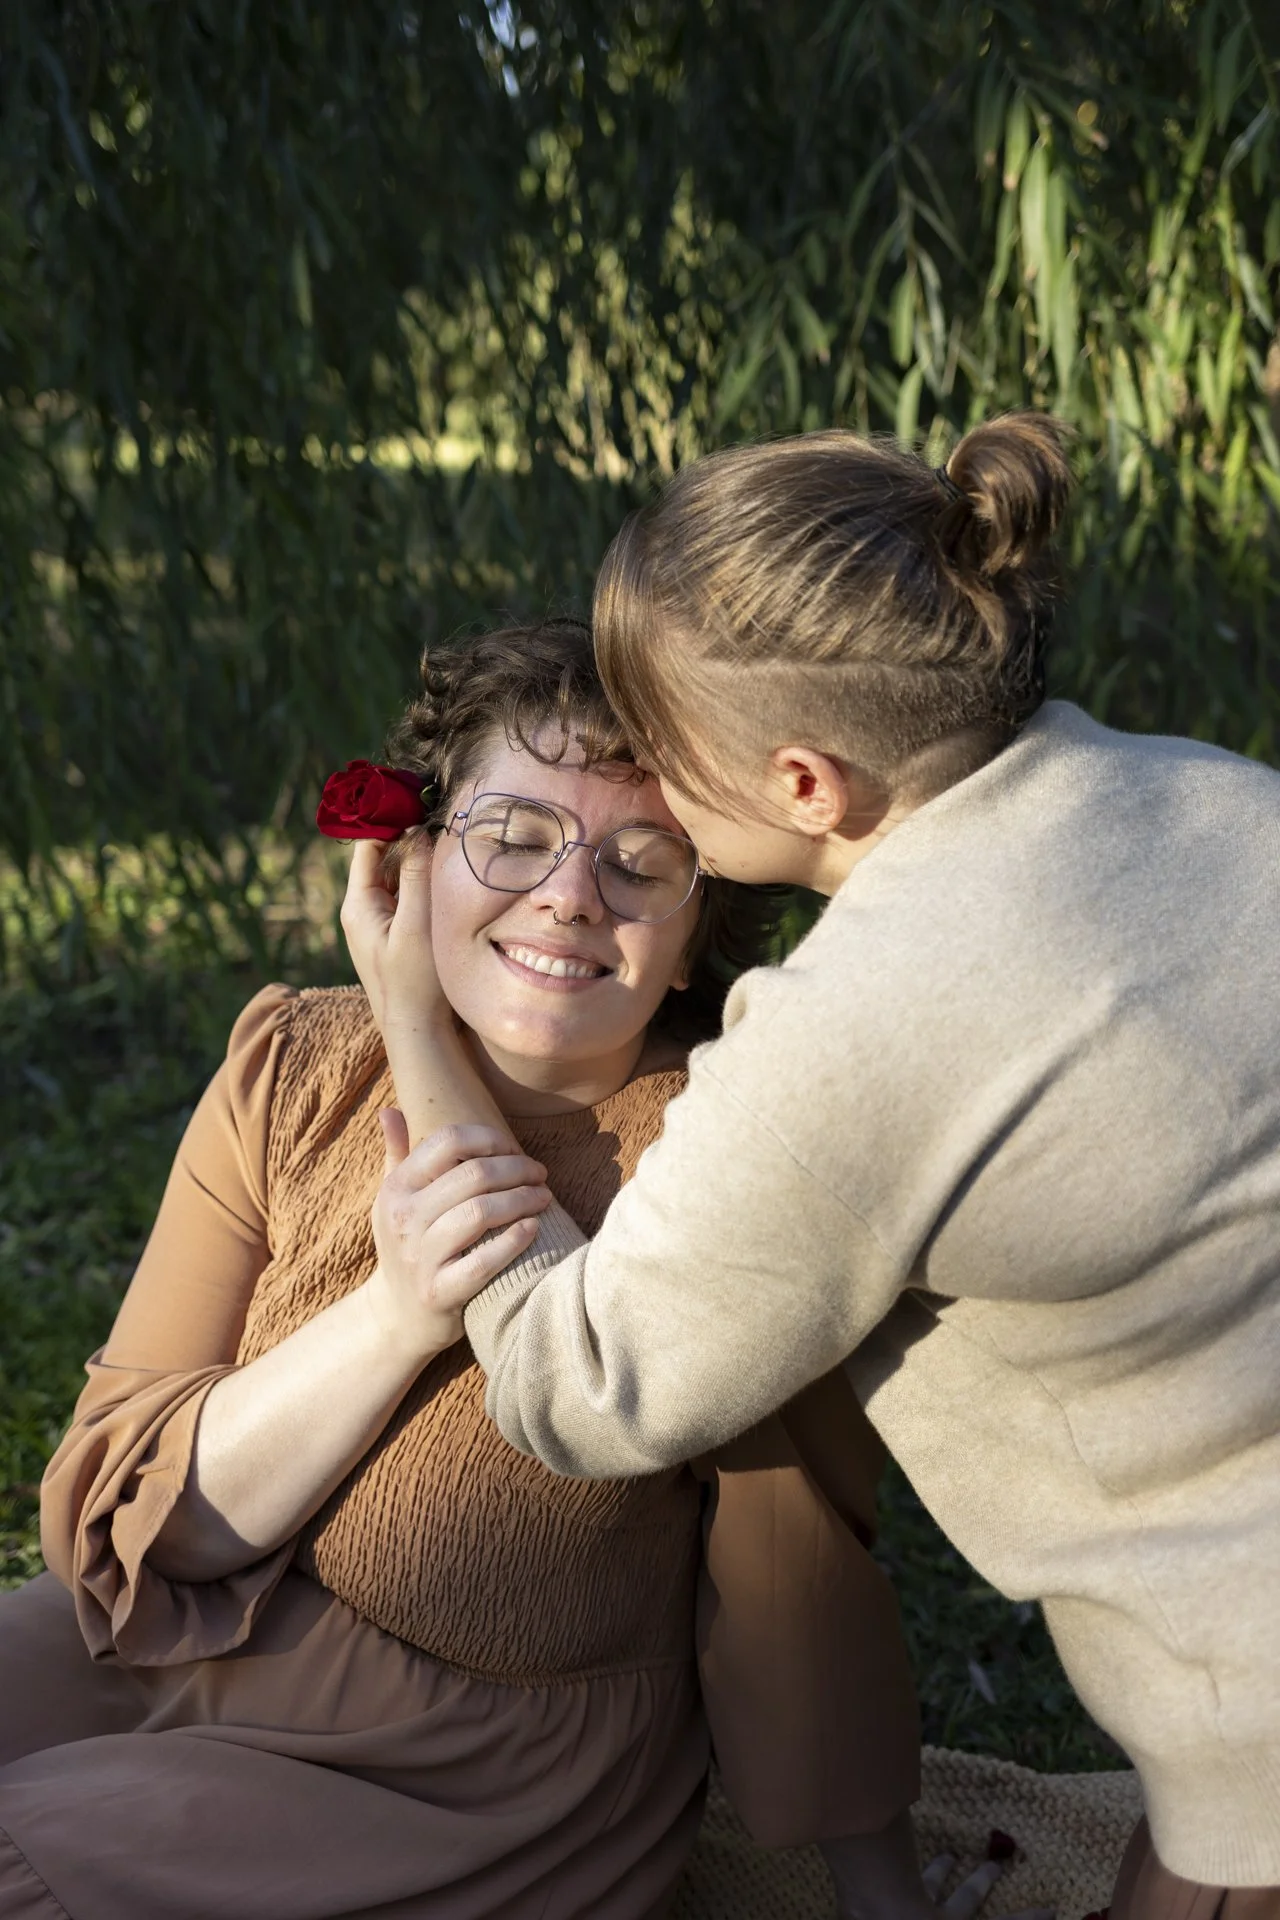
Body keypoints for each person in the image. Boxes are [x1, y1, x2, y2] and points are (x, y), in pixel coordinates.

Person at [342, 422, 1280, 1920]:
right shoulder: (1214, 793)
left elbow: (584, 1384)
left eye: (661, 741)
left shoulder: (860, 1031)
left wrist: (408, 1015)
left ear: (800, 780)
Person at [0, 620, 971, 1920]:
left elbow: (792, 1585)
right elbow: (132, 1526)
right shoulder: (293, 1069)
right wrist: (399, 1313)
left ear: (696, 935)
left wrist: (882, 1902)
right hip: (178, 1630)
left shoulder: (726, 1163)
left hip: (454, 1759)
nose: (572, 895)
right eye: (514, 836)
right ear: (409, 863)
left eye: (644, 861)